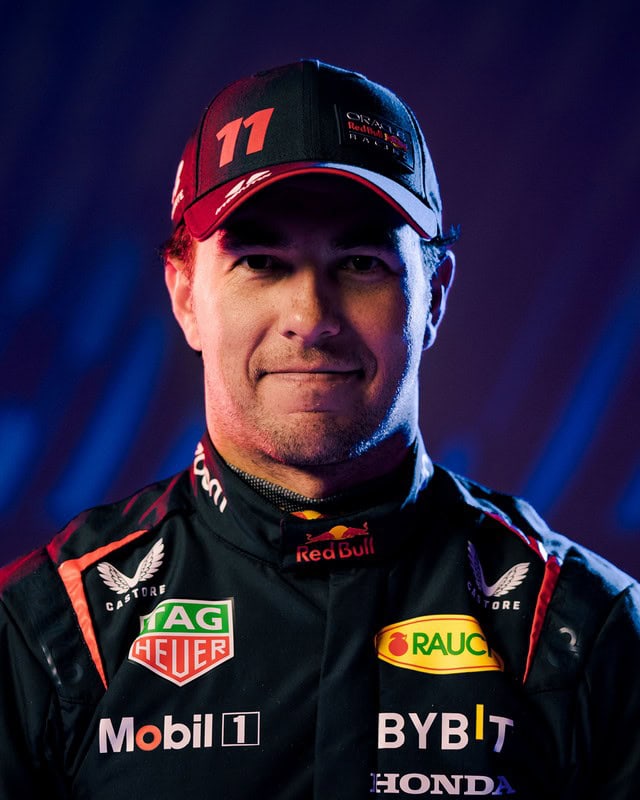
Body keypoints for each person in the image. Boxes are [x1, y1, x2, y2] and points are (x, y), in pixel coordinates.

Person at [0, 59, 638, 799]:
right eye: (261, 262)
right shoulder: (50, 631)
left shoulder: (581, 629)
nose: (310, 318)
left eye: (361, 262)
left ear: (434, 296)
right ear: (185, 296)